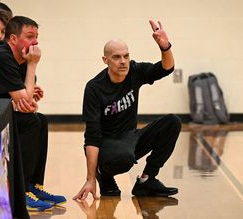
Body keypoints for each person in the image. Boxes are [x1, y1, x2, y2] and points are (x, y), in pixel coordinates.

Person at [73, 20, 181, 200]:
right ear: (105, 60)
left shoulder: (135, 71)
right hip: (107, 145)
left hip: (131, 138)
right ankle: (103, 173)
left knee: (172, 122)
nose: (123, 61)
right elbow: (91, 136)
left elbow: (166, 68)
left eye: (126, 56)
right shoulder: (94, 88)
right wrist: (90, 179)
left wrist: (165, 47)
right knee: (124, 158)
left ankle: (147, 180)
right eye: (116, 57)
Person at [0, 16, 66, 211]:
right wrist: (32, 66)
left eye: (37, 37)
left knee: (41, 121)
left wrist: (29, 92)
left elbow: (28, 103)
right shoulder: (1, 55)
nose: (35, 42)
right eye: (30, 36)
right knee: (31, 122)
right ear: (13, 39)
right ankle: (20, 192)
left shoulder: (20, 61)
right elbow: (26, 102)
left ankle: (32, 186)